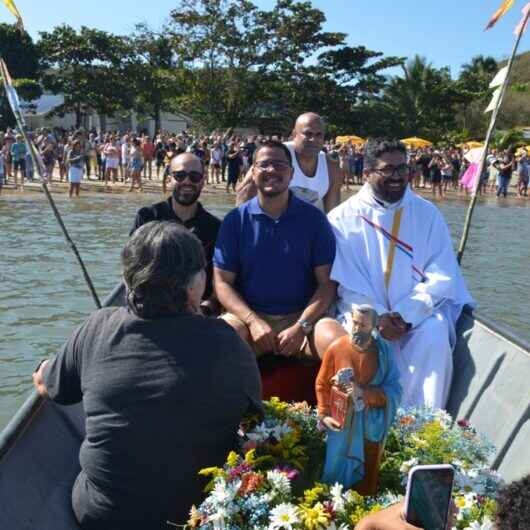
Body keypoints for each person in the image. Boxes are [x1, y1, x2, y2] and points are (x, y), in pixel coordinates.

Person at [32, 221, 262, 530]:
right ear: (195, 285)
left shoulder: (98, 327)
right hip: (197, 516)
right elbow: (253, 420)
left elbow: (49, 387)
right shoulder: (229, 344)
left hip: (102, 516)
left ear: (127, 280)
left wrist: (45, 368)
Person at [315, 138, 474, 409]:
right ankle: (368, 422)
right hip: (364, 313)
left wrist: (405, 315)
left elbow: (442, 275)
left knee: (434, 333)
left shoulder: (427, 213)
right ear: (366, 173)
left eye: (403, 169)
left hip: (417, 315)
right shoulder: (341, 218)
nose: (398, 177)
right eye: (388, 169)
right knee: (360, 341)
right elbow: (348, 283)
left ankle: (424, 426)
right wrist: (379, 318)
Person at [214, 140, 337, 358]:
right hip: (248, 315)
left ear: (291, 173)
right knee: (220, 336)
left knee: (337, 342)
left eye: (280, 165)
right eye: (264, 165)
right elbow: (222, 283)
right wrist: (253, 321)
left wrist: (302, 326)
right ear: (252, 172)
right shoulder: (235, 221)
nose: (272, 170)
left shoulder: (314, 219)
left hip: (303, 317)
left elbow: (327, 284)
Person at [316, 305, 401, 495]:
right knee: (335, 465)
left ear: (374, 326)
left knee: (367, 470)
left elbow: (394, 388)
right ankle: (331, 504)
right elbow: (322, 384)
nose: (357, 328)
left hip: (371, 423)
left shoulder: (384, 352)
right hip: (341, 421)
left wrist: (364, 394)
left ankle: (363, 505)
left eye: (363, 325)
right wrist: (324, 415)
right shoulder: (336, 348)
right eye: (354, 322)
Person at [131, 152, 221, 309]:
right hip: (151, 308)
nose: (187, 181)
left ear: (203, 181)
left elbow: (219, 279)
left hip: (197, 312)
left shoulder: (216, 227)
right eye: (179, 175)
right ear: (169, 178)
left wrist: (206, 308)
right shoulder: (147, 217)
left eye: (194, 177)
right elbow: (132, 266)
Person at [236, 113, 342, 212]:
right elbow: (244, 194)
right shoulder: (274, 155)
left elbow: (332, 214)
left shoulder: (331, 167)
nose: (313, 139)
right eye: (308, 133)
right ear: (294, 134)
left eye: (318, 135)